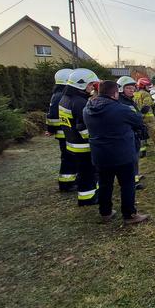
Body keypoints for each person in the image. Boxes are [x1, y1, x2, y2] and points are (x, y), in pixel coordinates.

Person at [83, 80, 149, 225]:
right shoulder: (121, 109)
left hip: (99, 154)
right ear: (114, 93)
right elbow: (138, 121)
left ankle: (105, 212)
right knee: (127, 184)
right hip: (121, 154)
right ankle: (129, 215)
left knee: (105, 184)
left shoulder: (87, 108)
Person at [59, 68, 99, 206]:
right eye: (90, 84)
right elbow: (84, 127)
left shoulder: (65, 98)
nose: (92, 87)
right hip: (83, 146)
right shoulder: (79, 102)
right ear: (81, 85)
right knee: (88, 173)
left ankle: (88, 194)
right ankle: (87, 198)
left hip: (72, 143)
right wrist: (97, 138)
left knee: (83, 172)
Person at [46, 68, 76, 192]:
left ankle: (69, 182)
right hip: (65, 133)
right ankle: (66, 184)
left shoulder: (58, 94)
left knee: (69, 158)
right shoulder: (60, 96)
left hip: (64, 132)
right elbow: (52, 115)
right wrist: (52, 129)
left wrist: (52, 129)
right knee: (68, 158)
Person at [117, 76, 147, 190]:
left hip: (133, 134)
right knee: (130, 159)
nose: (132, 90)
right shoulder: (122, 102)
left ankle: (135, 177)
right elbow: (131, 118)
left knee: (134, 158)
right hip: (128, 135)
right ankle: (132, 182)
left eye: (133, 88)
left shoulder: (129, 100)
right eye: (128, 88)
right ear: (121, 89)